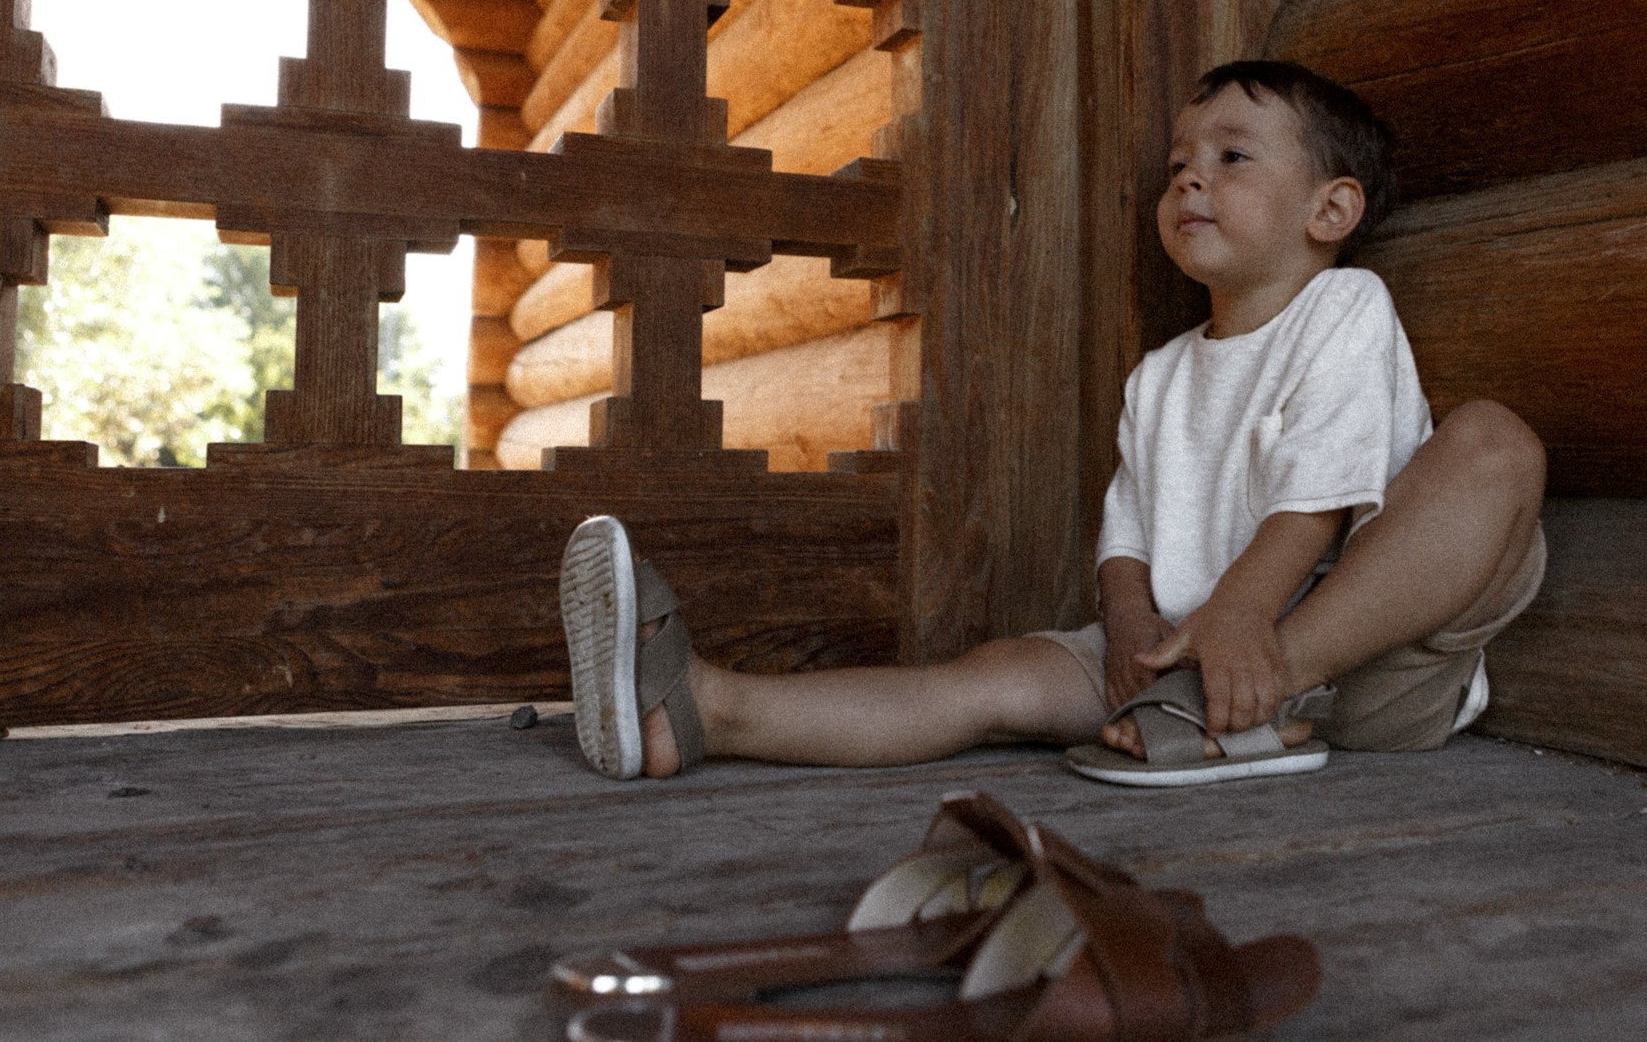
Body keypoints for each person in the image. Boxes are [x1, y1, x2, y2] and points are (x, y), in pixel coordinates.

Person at [558, 60, 1546, 785]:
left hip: (1354, 661)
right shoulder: (1159, 375)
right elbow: (1128, 537)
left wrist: (1249, 625)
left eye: (1231, 156)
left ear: (1329, 211)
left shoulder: (1344, 307)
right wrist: (1128, 631)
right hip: (1171, 671)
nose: (1188, 178)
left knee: (1496, 446)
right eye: (1178, 164)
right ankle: (705, 708)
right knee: (987, 680)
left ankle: (1264, 691)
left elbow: (1320, 493)